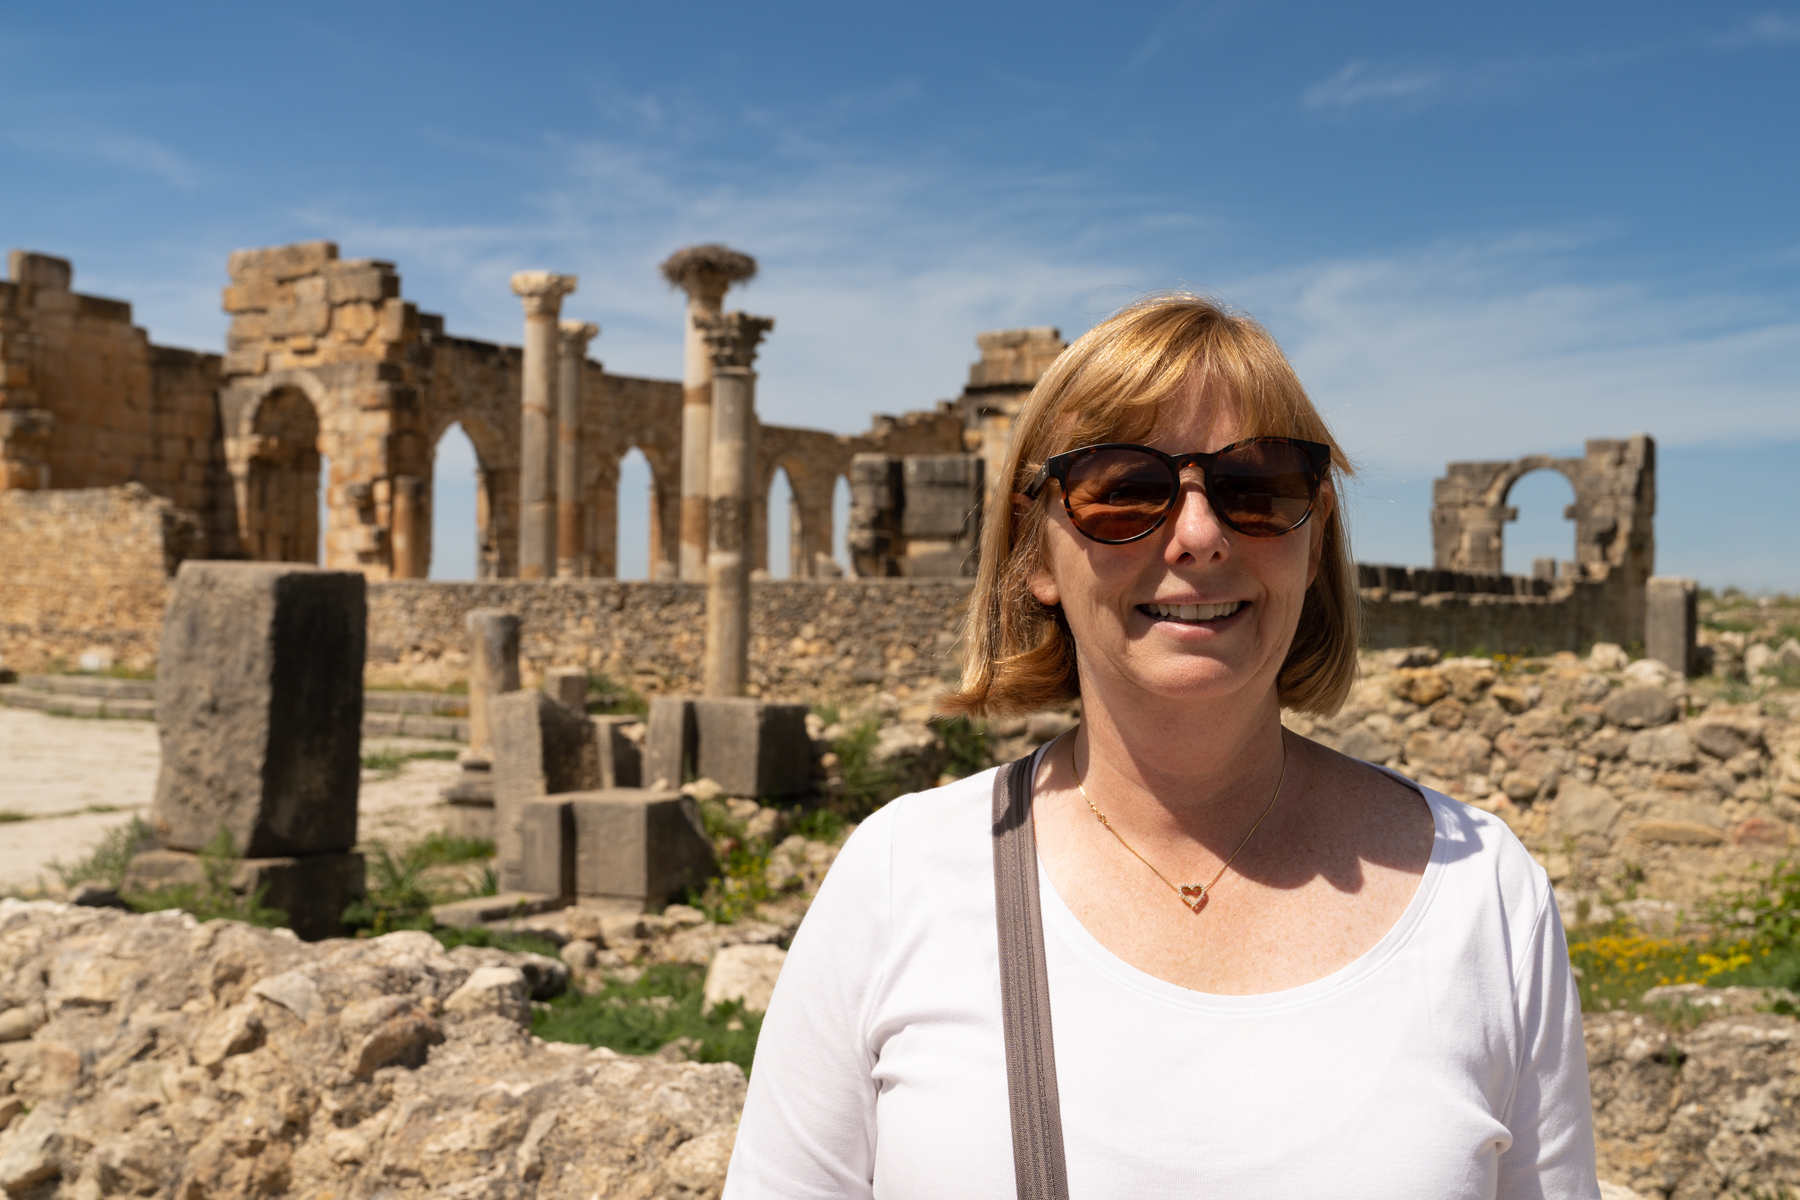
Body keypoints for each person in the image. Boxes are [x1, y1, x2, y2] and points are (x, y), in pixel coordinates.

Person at [724, 294, 1598, 1198]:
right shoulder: (896, 883)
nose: (1198, 535)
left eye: (1258, 487)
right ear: (1034, 554)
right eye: (1122, 491)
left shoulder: (1486, 894)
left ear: (1316, 532)